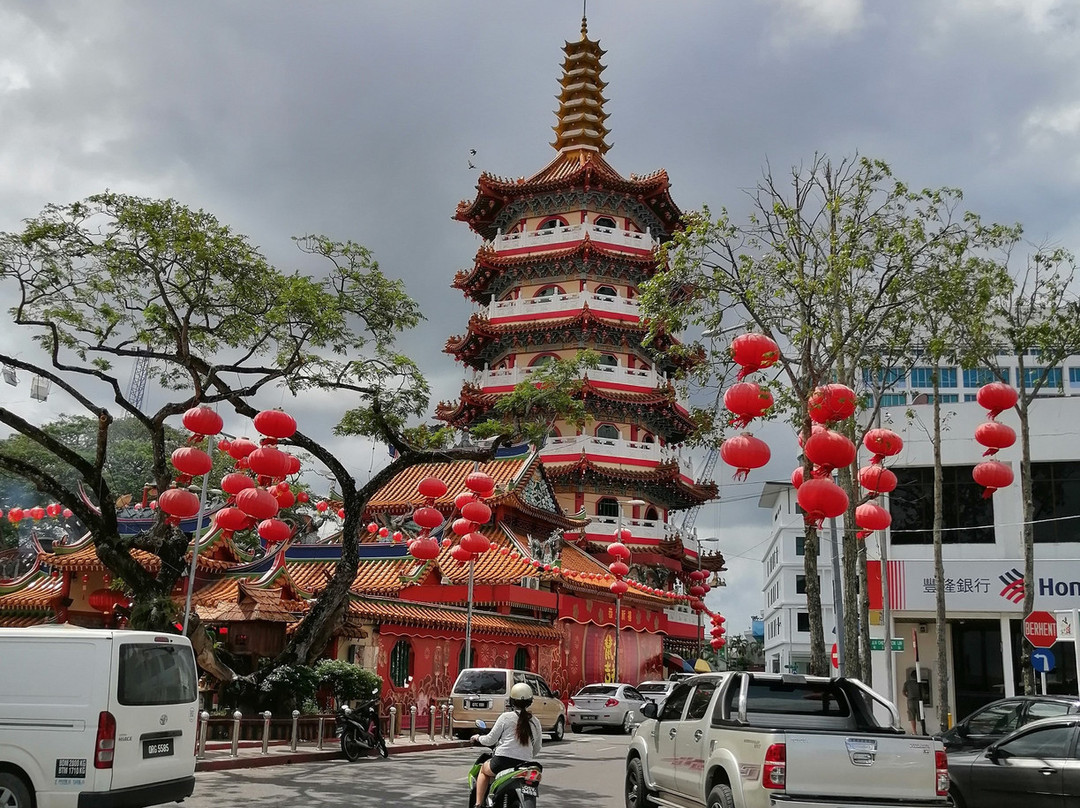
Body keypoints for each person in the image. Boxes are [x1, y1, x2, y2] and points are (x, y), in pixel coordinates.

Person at [471, 682, 542, 808]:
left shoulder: (506, 717)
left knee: (483, 770)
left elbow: (490, 740)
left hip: (502, 762)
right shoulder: (535, 722)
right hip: (525, 764)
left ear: (511, 700)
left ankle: (478, 804)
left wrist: (477, 737)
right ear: (530, 701)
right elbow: (537, 748)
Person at [902, 670, 921, 734]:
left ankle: (914, 731)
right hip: (918, 701)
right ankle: (923, 729)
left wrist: (908, 696)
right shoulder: (919, 683)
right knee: (921, 715)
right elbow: (923, 693)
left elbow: (903, 692)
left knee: (912, 716)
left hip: (910, 701)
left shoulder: (907, 683)